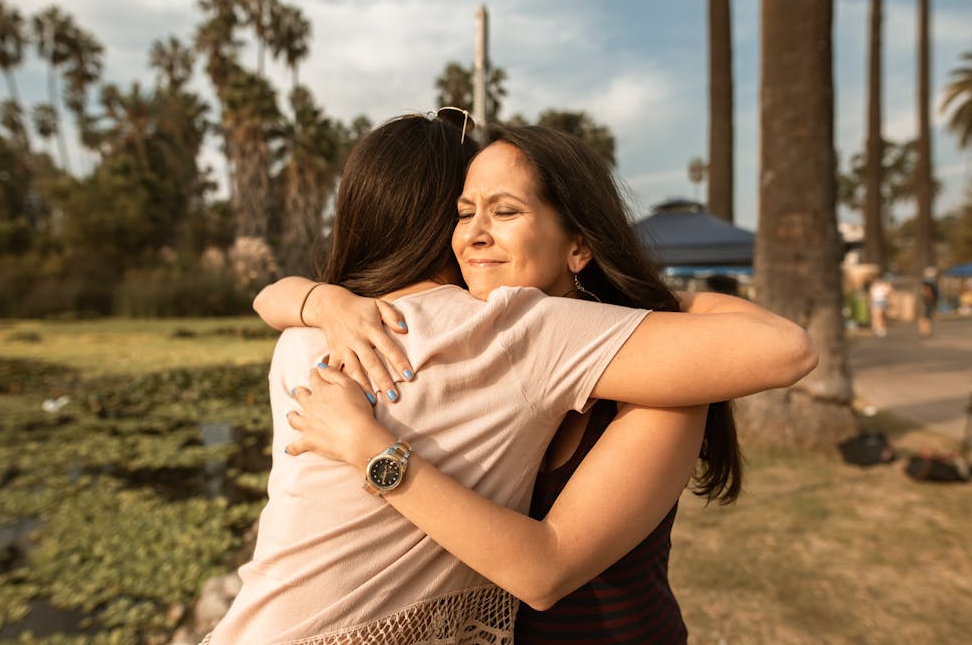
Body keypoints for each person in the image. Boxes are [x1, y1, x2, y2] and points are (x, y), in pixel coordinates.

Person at [251, 123, 817, 643]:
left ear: (578, 245)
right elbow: (270, 300)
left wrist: (372, 451)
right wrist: (322, 301)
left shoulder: (648, 383)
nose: (472, 235)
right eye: (464, 211)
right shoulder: (483, 349)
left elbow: (545, 571)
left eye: (504, 212)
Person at [918, 268, 939, 337]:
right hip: (928, 301)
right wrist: (929, 298)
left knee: (927, 317)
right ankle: (925, 331)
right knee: (925, 317)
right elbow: (926, 291)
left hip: (929, 300)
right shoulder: (928, 282)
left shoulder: (929, 281)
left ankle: (925, 331)